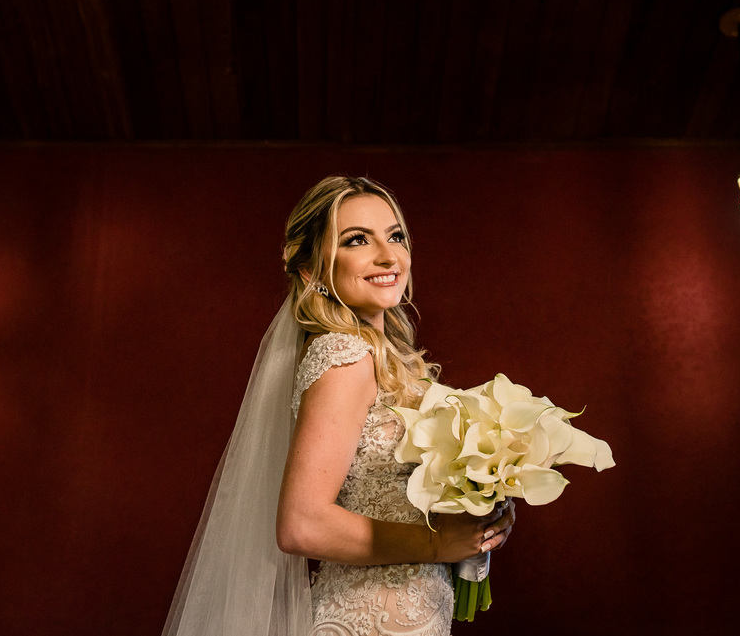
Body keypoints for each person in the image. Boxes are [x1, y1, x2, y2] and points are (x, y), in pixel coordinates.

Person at [162, 176, 515, 636]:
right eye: (357, 240)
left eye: (395, 236)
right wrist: (436, 544)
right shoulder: (345, 356)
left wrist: (479, 508)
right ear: (311, 271)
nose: (388, 256)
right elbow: (301, 525)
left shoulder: (391, 361)